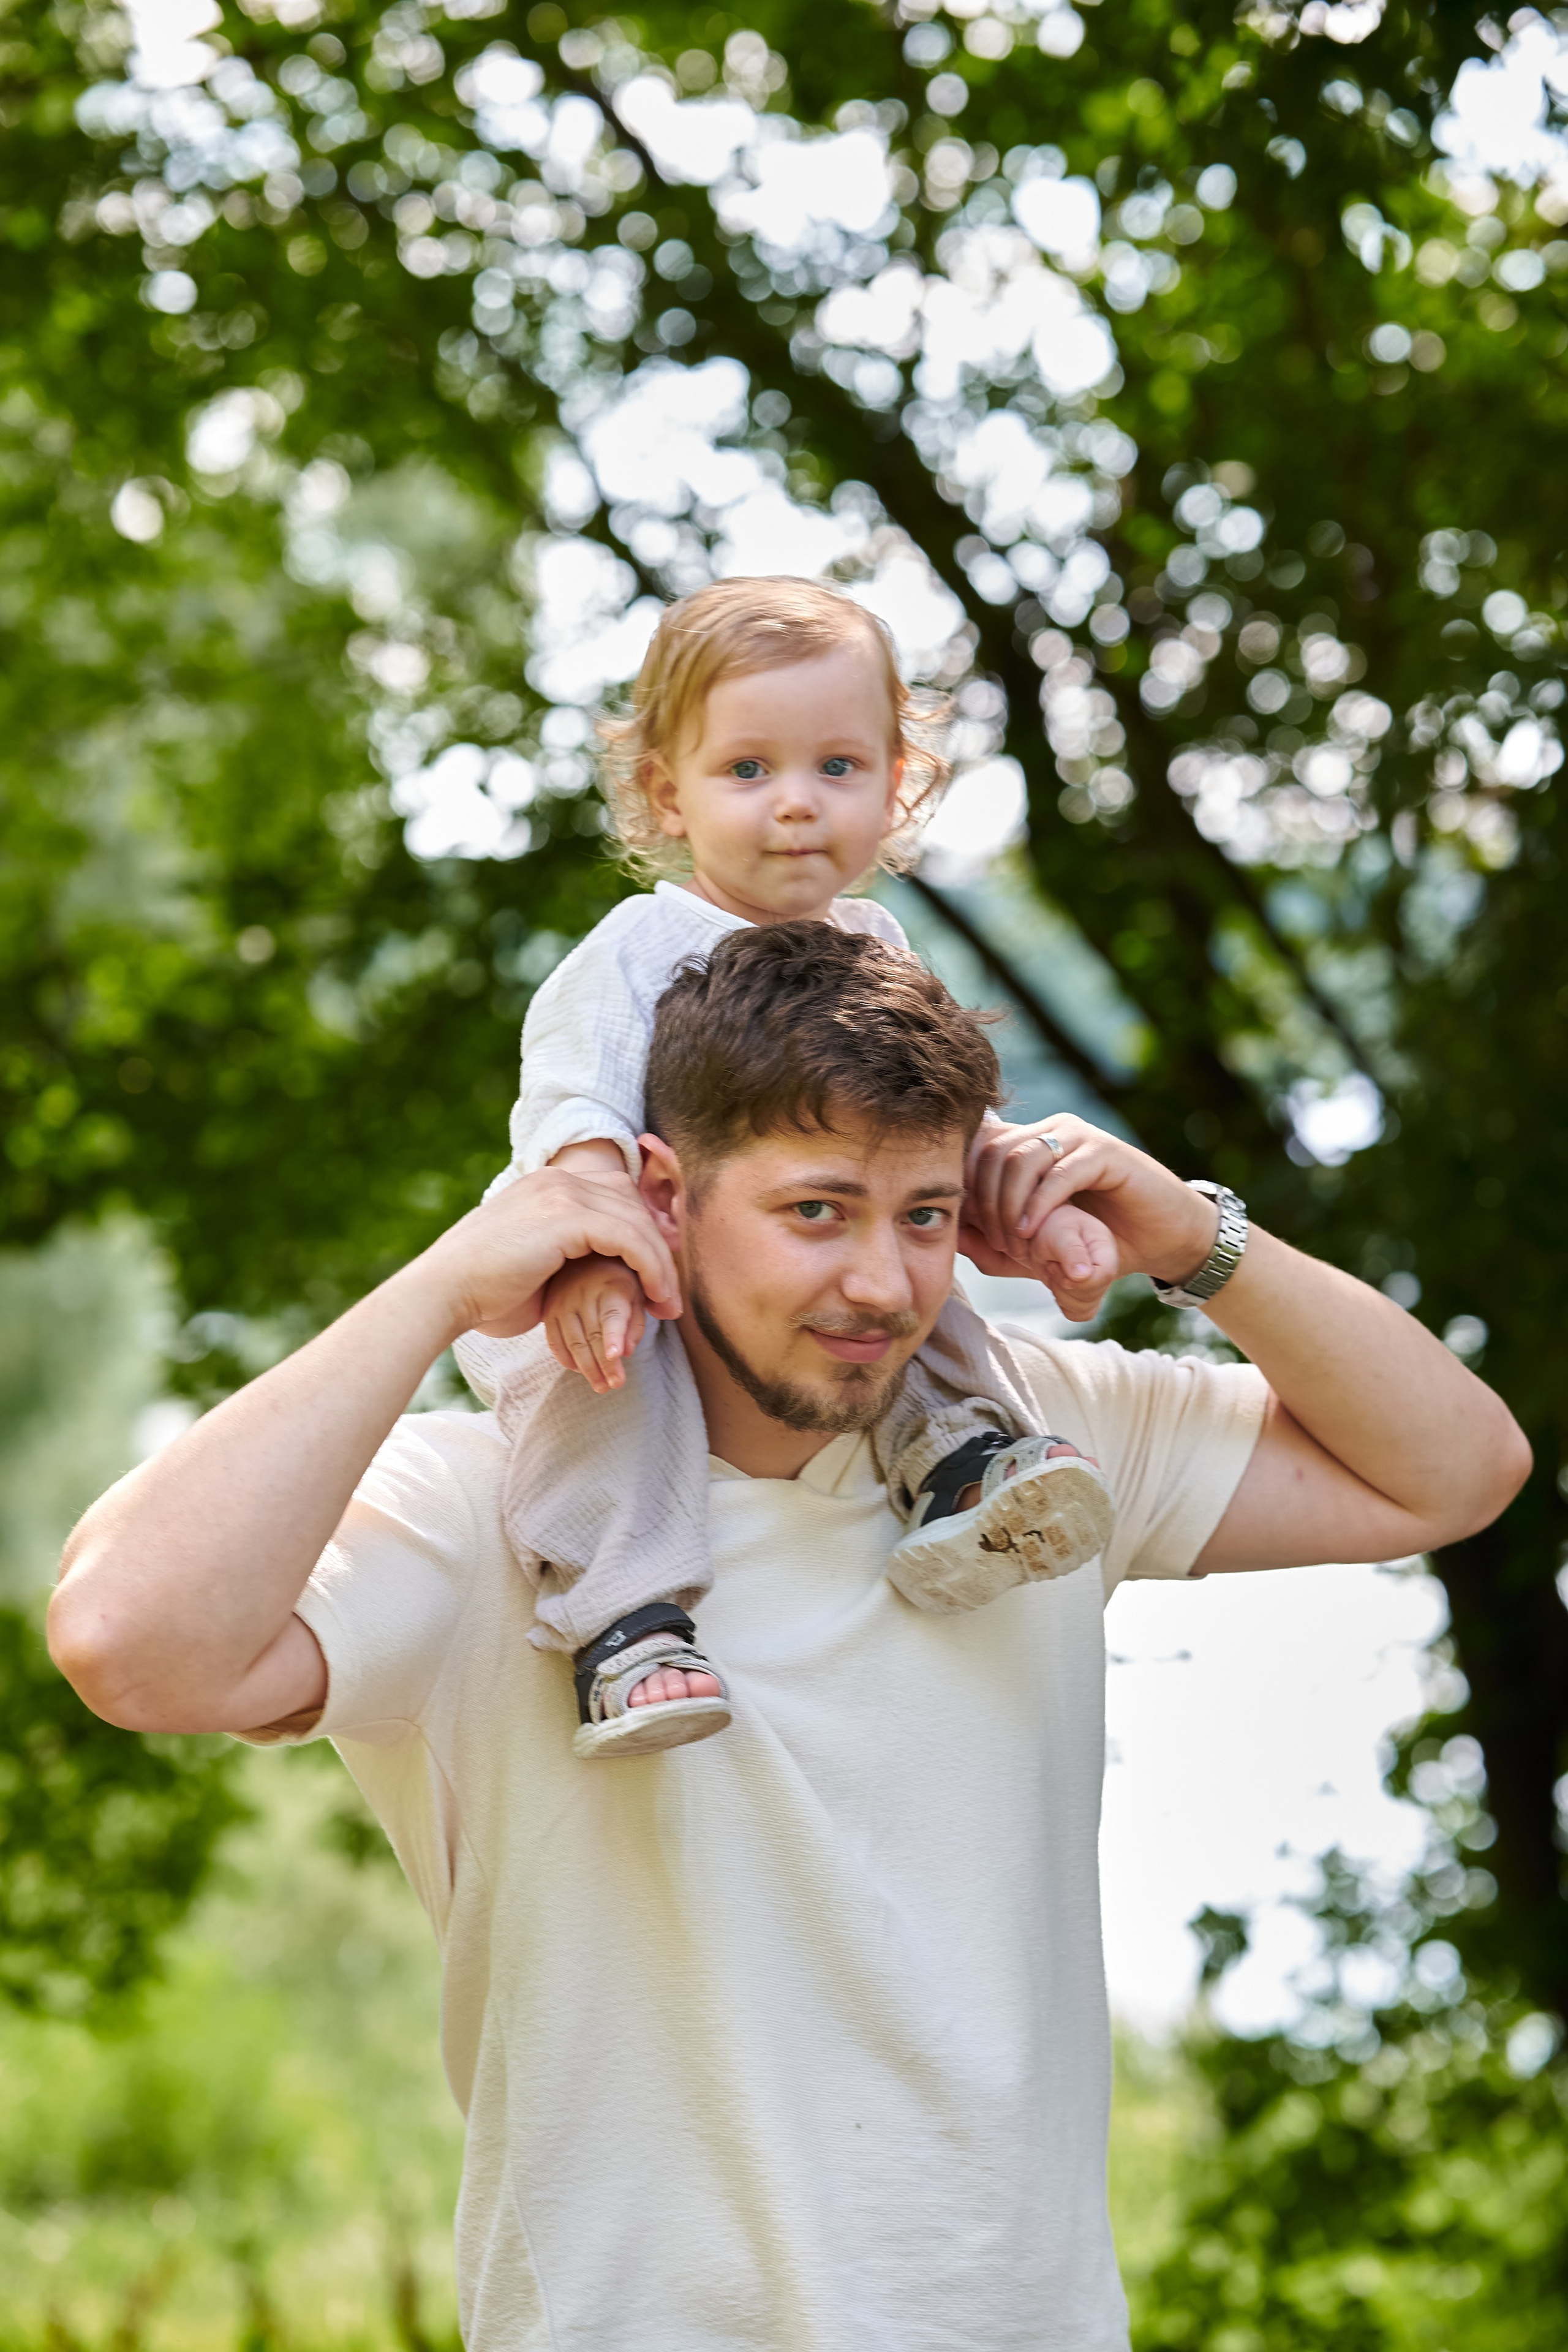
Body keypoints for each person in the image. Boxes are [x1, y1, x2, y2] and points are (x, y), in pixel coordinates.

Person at [52, 922, 1528, 2352]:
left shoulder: (1040, 1445)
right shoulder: (489, 1508)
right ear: (661, 1197)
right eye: (816, 1211)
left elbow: (1456, 1472)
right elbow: (128, 1642)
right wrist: (449, 1280)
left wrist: (1194, 1238)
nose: (882, 1285)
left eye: (925, 1216)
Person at [467, 575, 1119, 1759]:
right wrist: (596, 1249)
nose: (796, 808)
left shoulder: (878, 945)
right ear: (669, 792)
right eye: (748, 771)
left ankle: (959, 1461)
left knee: (908, 1274)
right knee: (604, 1396)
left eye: (837, 769)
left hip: (811, 1251)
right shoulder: (639, 952)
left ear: (896, 785)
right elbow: (572, 1106)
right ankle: (624, 1618)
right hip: (625, 1248)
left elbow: (926, 1125)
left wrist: (1019, 1191)